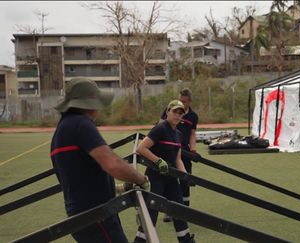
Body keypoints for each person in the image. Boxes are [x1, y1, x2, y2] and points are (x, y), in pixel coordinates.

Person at [50, 78, 148, 243]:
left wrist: (119, 187)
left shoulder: (62, 129)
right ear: (89, 104)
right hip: (95, 215)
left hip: (82, 214)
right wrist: (141, 179)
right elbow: (113, 165)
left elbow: (79, 177)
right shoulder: (81, 124)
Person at [134, 100, 195, 243]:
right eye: (174, 112)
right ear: (168, 112)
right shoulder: (160, 129)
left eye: (180, 113)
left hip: (171, 179)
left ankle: (185, 240)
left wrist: (185, 175)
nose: (177, 116)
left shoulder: (179, 134)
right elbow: (141, 148)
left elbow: (178, 159)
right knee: (151, 213)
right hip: (155, 178)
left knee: (179, 211)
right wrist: (158, 161)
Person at [159, 88, 199, 222]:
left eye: (184, 102)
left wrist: (193, 149)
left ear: (190, 102)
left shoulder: (193, 116)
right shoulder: (170, 109)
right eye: (180, 100)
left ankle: (185, 211)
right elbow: (159, 126)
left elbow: (192, 133)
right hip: (169, 150)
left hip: (184, 151)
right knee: (169, 180)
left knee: (185, 180)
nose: (181, 103)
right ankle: (169, 211)